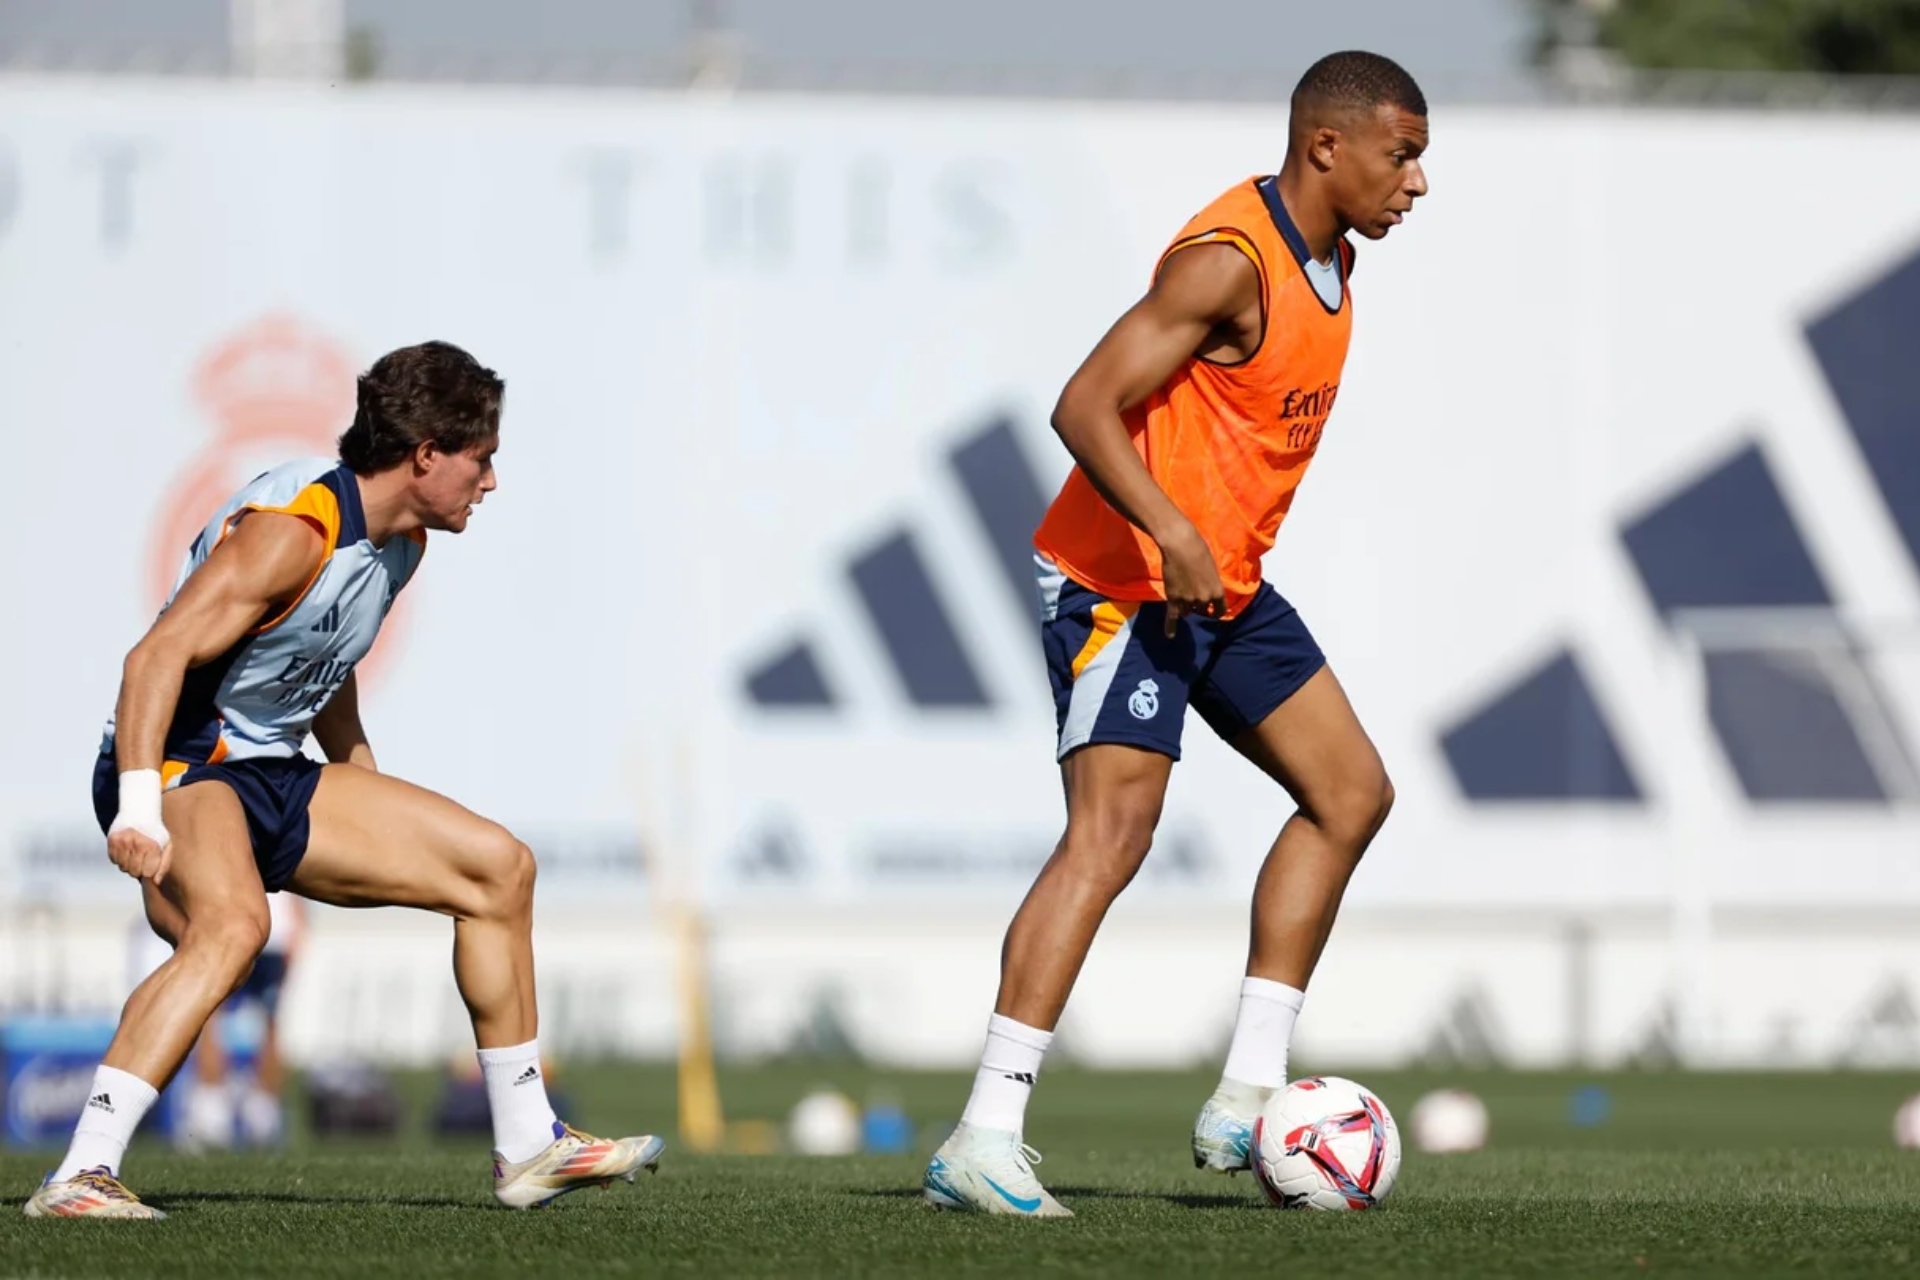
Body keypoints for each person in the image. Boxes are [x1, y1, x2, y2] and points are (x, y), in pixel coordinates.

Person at [923, 51, 1430, 1217]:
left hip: (1223, 587)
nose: (1415, 184)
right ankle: (983, 1134)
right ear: (1327, 148)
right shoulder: (1226, 264)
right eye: (1401, 156)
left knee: (1352, 793)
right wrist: (1170, 531)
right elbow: (1080, 403)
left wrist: (1206, 552)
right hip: (1117, 579)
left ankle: (1248, 1091)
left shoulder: (1336, 262)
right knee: (1112, 834)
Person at [26, 342, 663, 1219]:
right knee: (234, 928)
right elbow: (155, 658)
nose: (490, 482)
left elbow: (324, 660)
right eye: (482, 460)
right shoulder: (296, 529)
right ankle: (81, 1174)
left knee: (497, 869)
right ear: (427, 453)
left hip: (271, 772)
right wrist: (137, 810)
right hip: (181, 761)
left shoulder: (403, 543)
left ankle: (527, 1147)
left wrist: (364, 784)